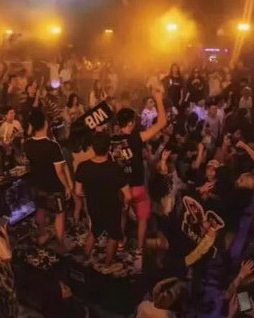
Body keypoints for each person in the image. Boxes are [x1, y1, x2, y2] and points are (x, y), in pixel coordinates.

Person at [112, 81, 167, 257]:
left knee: (121, 215)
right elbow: (162, 122)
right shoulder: (137, 138)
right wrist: (158, 99)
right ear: (130, 124)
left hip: (121, 187)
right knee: (142, 219)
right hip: (138, 187)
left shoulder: (111, 140)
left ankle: (120, 244)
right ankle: (139, 250)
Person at [75, 133, 131, 272]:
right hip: (112, 207)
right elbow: (128, 195)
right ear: (109, 148)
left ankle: (84, 259)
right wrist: (125, 204)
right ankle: (107, 265)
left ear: (93, 147)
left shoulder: (83, 166)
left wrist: (90, 194)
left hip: (93, 206)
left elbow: (78, 191)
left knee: (94, 231)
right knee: (114, 235)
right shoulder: (115, 168)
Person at [25, 108, 73, 248]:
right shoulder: (52, 146)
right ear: (45, 123)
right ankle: (61, 244)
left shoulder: (28, 144)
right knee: (60, 213)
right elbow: (60, 171)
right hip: (54, 187)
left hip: (37, 185)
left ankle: (43, 234)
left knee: (40, 209)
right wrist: (67, 186)